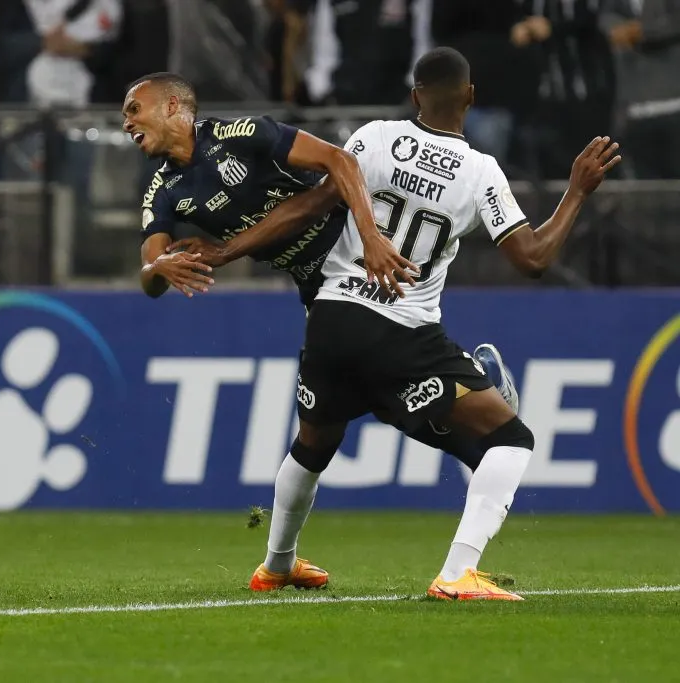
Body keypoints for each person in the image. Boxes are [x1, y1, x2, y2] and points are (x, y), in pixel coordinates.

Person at [191, 46, 618, 600]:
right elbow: (533, 258)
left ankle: (276, 564)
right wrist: (576, 193)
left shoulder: (373, 139)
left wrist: (226, 252)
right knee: (510, 437)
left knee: (313, 443)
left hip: (332, 317)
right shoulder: (481, 173)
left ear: (415, 95)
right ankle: (458, 573)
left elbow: (307, 208)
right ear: (471, 95)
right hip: (402, 331)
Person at [121, 71, 525, 592]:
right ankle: (285, 565)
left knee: (336, 429)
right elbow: (148, 268)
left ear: (175, 105)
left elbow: (338, 162)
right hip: (327, 300)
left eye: (135, 109)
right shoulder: (162, 188)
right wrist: (160, 271)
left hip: (364, 264)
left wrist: (373, 238)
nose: (127, 122)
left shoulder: (240, 135)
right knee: (323, 437)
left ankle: (282, 564)